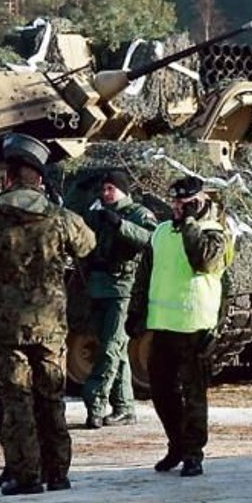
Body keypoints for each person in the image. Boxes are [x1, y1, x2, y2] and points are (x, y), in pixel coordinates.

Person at [0, 133, 96, 495]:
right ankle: (58, 472)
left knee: (16, 398)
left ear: (8, 179)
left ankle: (25, 473)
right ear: (38, 178)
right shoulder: (59, 218)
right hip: (51, 324)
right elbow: (88, 245)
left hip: (6, 327)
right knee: (51, 395)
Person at [131, 175, 232, 478]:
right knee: (162, 393)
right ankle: (176, 445)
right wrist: (136, 313)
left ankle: (193, 452)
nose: (177, 208)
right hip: (162, 328)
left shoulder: (215, 234)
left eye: (185, 203)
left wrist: (191, 223)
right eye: (174, 203)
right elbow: (144, 276)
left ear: (201, 203)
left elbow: (203, 262)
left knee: (193, 396)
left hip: (196, 329)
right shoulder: (161, 233)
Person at [80, 169, 157, 428]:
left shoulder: (138, 213)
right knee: (115, 349)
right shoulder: (97, 212)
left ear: (122, 190)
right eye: (103, 189)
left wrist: (120, 225)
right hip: (100, 286)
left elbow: (151, 239)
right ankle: (124, 407)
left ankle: (97, 403)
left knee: (111, 348)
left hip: (123, 288)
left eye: (110, 189)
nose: (105, 194)